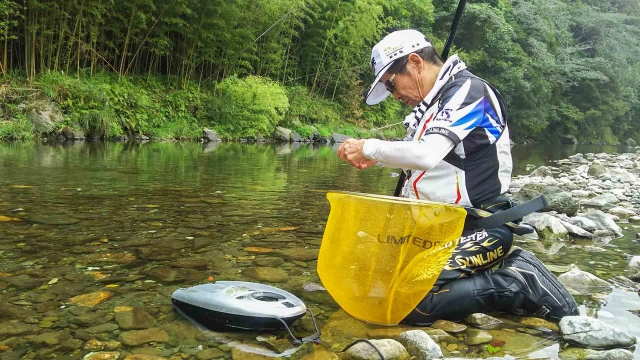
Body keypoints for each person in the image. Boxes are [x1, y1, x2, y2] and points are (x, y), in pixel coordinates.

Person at [337, 29, 579, 325]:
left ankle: (517, 281)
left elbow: (427, 154)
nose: (395, 95)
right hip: (434, 232)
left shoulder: (470, 92)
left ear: (415, 62)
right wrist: (375, 157)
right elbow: (433, 166)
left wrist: (368, 147)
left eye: (391, 84)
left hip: (481, 228)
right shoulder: (433, 106)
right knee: (365, 281)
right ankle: (474, 283)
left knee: (408, 304)